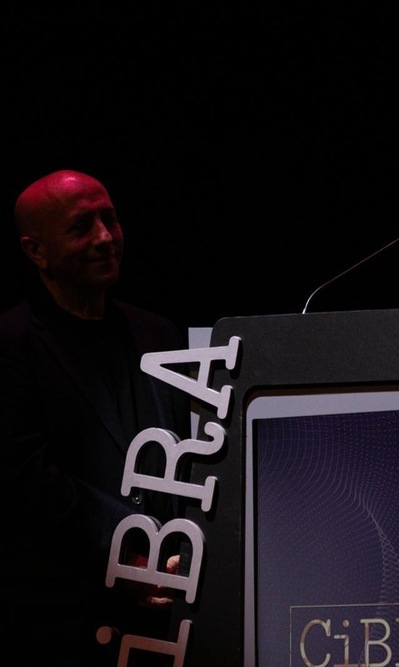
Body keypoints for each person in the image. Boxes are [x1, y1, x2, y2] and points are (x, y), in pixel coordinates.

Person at [0, 169, 192, 665]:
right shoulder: (11, 343)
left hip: (173, 607)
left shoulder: (160, 334)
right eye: (82, 226)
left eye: (110, 219)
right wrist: (126, 555)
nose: (105, 238)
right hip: (63, 619)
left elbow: (194, 455)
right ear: (35, 251)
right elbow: (24, 477)